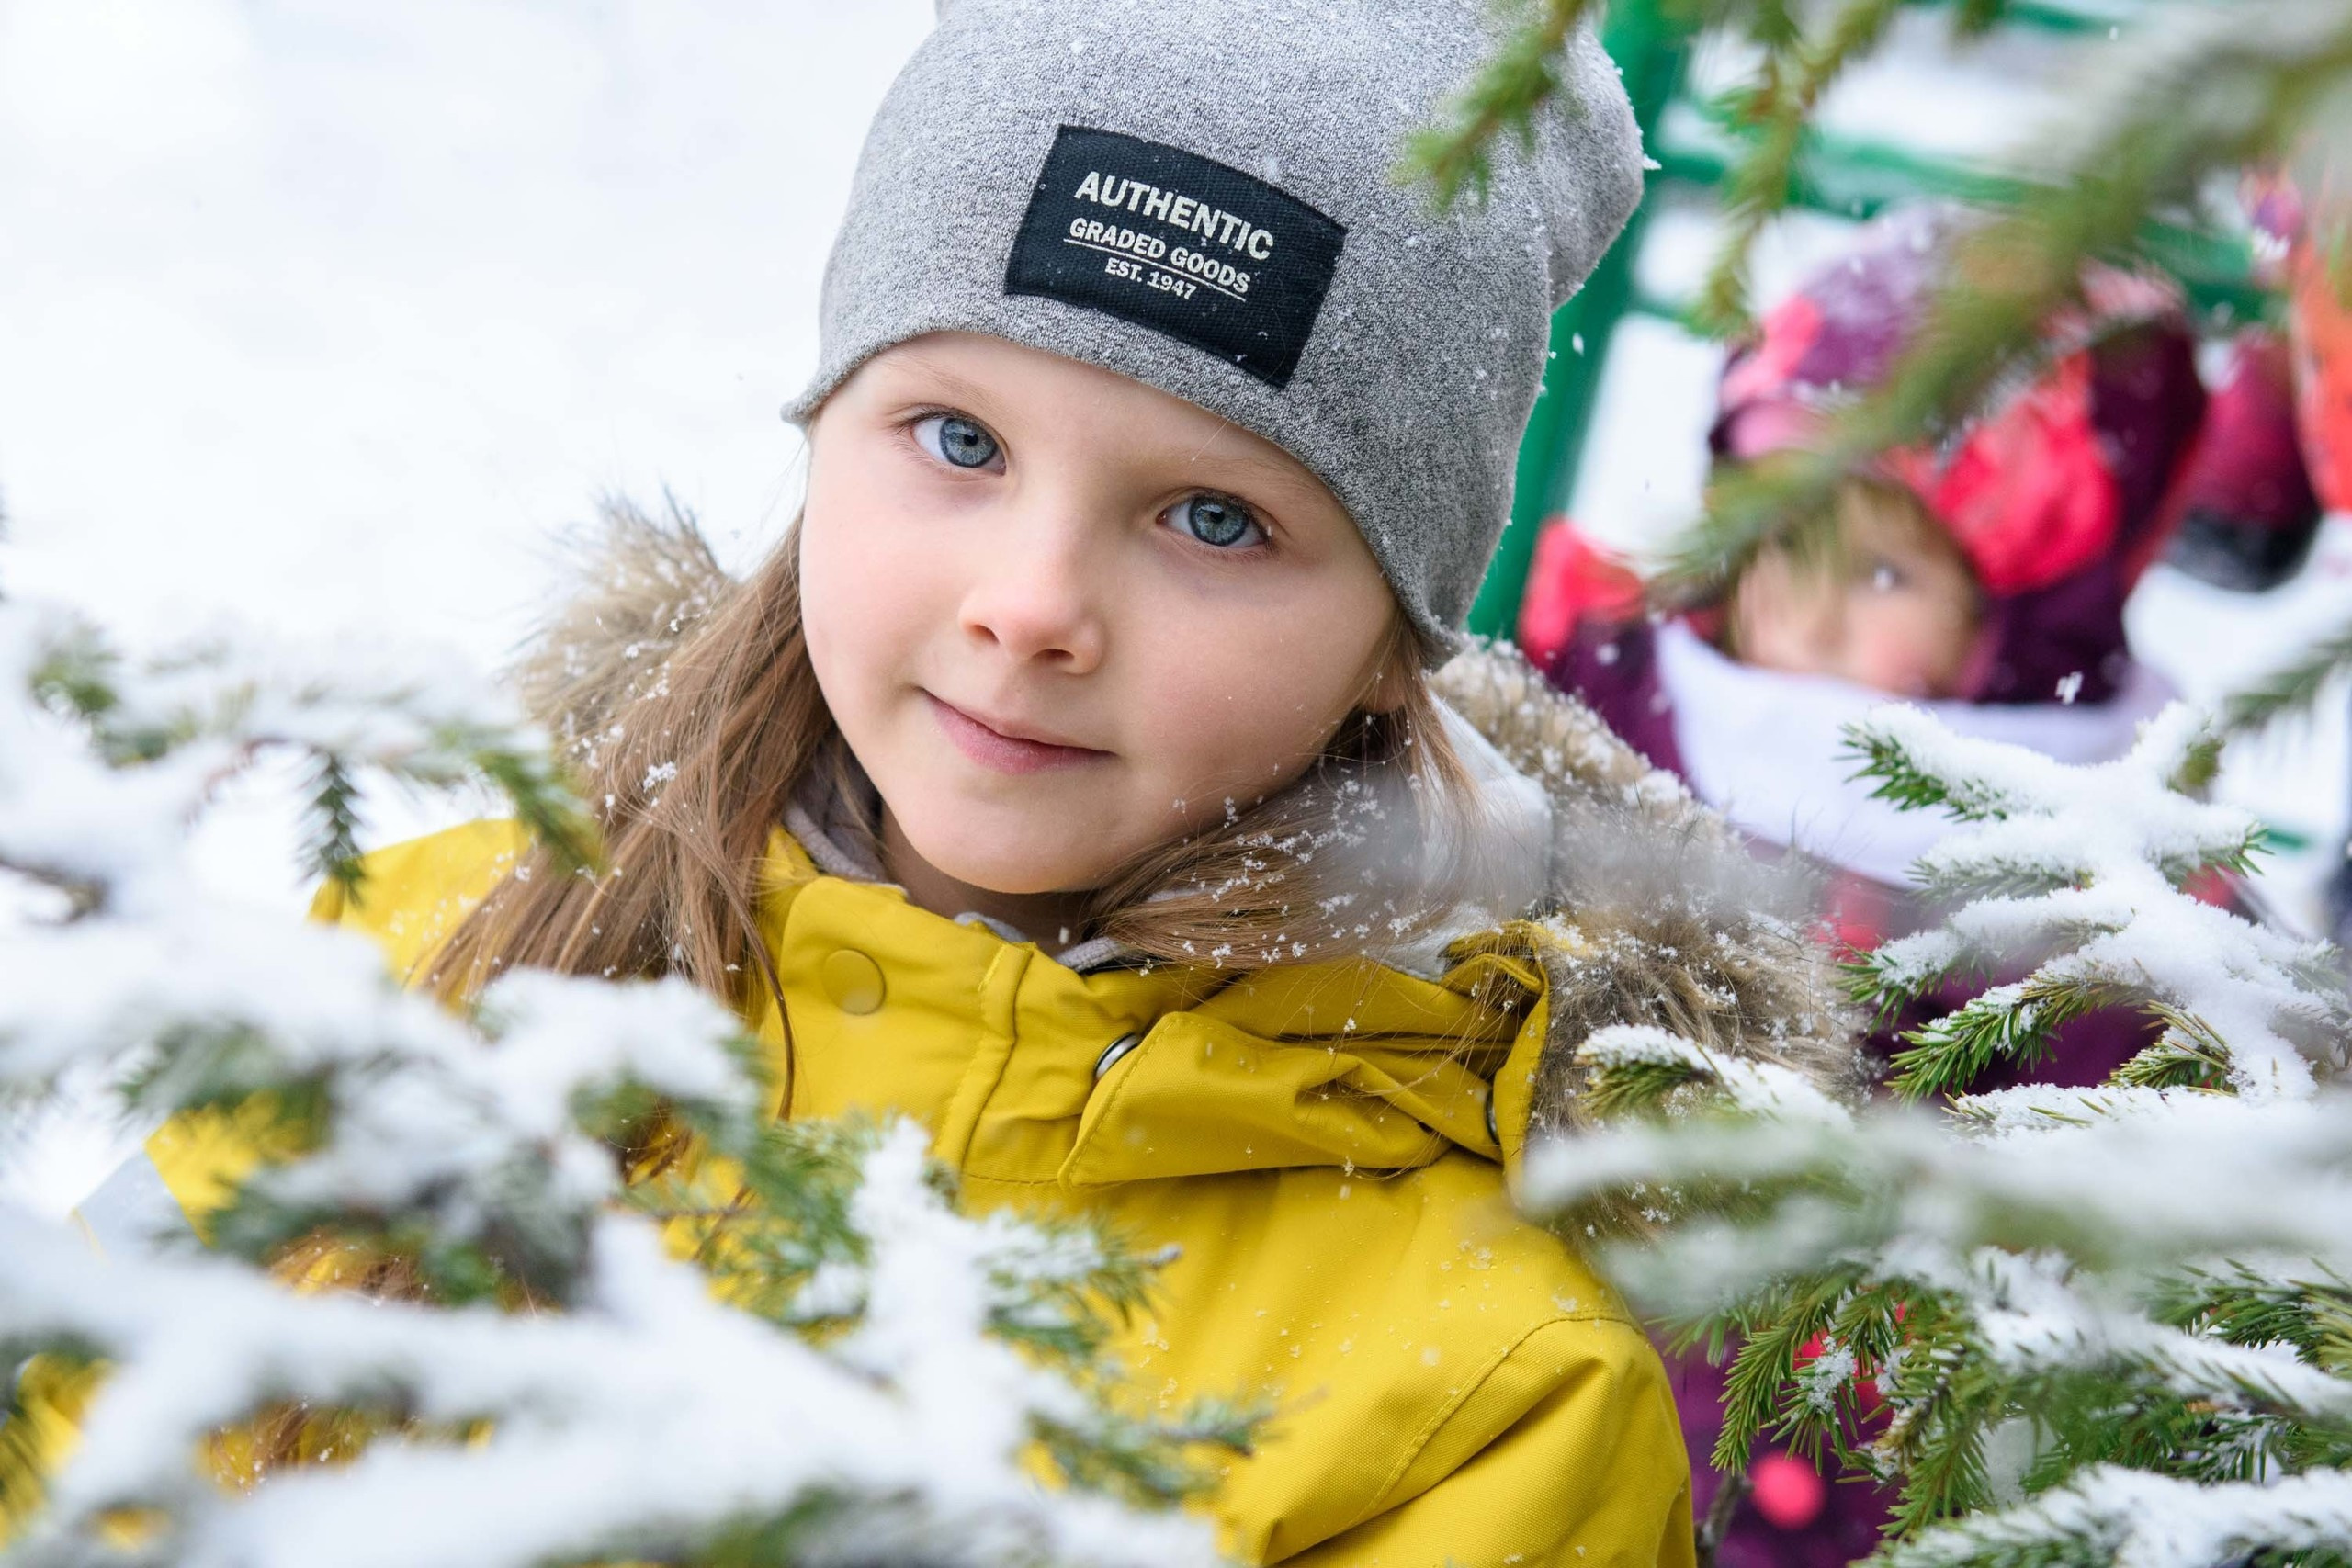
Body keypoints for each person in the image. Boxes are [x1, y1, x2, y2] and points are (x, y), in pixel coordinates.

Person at [1, 4, 1868, 1562]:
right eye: (955, 437)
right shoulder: (431, 946)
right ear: (822, 431)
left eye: (1215, 516)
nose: (1032, 604)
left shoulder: (1481, 1389)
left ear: (1393, 639)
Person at [1523, 207, 2211, 1568]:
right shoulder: (1618, 712)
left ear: (2016, 623)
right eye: (1787, 534)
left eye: (1889, 570)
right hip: (1566, 1351)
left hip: (1852, 1447)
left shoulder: (2088, 891)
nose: (1811, 610)